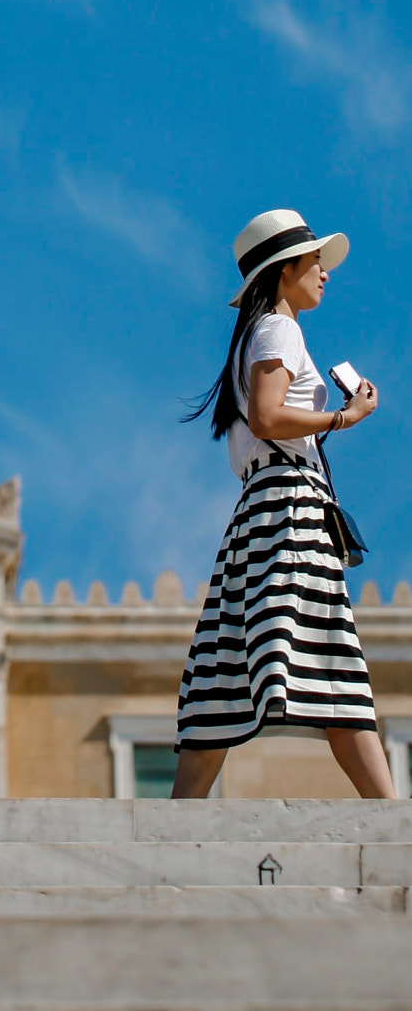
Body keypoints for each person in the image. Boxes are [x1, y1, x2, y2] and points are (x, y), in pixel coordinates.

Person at [172, 208, 395, 799]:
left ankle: (175, 819)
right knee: (329, 653)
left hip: (264, 509)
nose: (325, 273)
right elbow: (271, 417)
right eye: (316, 262)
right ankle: (392, 817)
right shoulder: (279, 329)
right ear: (285, 268)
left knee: (224, 665)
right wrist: (344, 417)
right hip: (289, 507)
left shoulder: (257, 332)